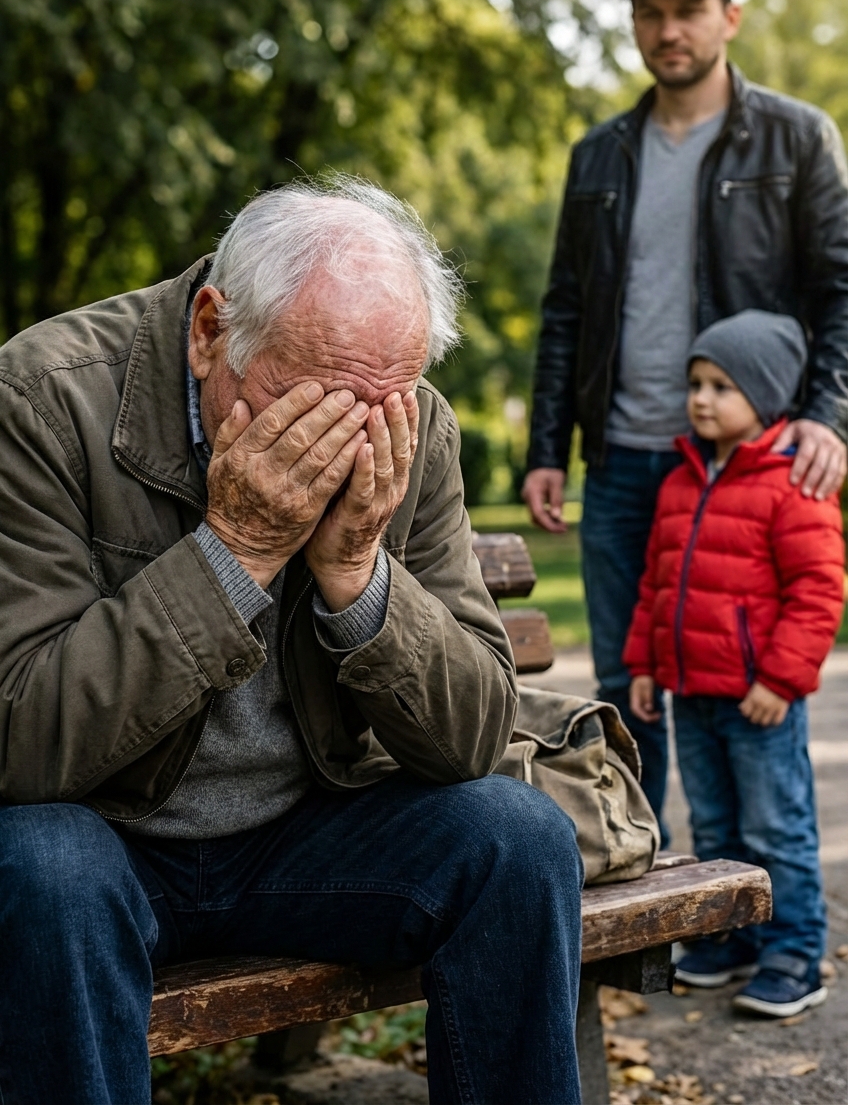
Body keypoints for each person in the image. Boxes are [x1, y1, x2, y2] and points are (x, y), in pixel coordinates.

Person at [0, 176, 584, 1105]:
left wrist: (359, 575)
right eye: (309, 401)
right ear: (208, 330)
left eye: (378, 405)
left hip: (303, 843)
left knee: (516, 840)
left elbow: (475, 737)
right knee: (41, 866)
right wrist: (235, 552)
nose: (348, 445)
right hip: (105, 841)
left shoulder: (413, 423)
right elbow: (20, 740)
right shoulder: (40, 399)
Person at [522, 0, 848, 841]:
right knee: (632, 693)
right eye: (651, 13)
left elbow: (840, 290)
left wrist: (828, 413)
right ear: (633, 24)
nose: (670, 30)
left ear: (728, 18)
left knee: (742, 704)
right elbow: (564, 311)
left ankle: (763, 914)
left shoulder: (796, 137)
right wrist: (547, 448)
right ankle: (642, 890)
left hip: (742, 471)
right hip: (625, 461)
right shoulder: (598, 156)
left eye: (689, 11)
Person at [624, 310, 844, 1018]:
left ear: (767, 393)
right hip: (693, 691)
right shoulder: (683, 481)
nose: (701, 398)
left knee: (777, 825)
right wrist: (647, 664)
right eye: (696, 382)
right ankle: (727, 942)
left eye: (722, 385)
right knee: (714, 825)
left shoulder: (792, 484)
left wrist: (781, 679)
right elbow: (657, 584)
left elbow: (817, 591)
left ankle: (794, 952)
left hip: (759, 698)